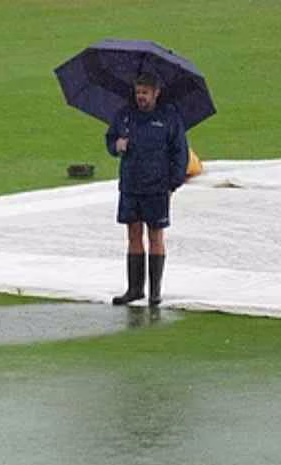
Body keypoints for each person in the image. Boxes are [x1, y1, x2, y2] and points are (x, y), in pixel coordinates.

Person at [105, 72, 189, 306]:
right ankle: (134, 289)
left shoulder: (169, 117)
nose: (140, 97)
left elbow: (180, 152)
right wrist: (116, 146)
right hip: (131, 185)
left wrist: (173, 183)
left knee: (155, 236)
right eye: (138, 92)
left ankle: (154, 291)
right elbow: (110, 140)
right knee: (133, 234)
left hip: (157, 187)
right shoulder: (125, 116)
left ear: (156, 93)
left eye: (145, 92)